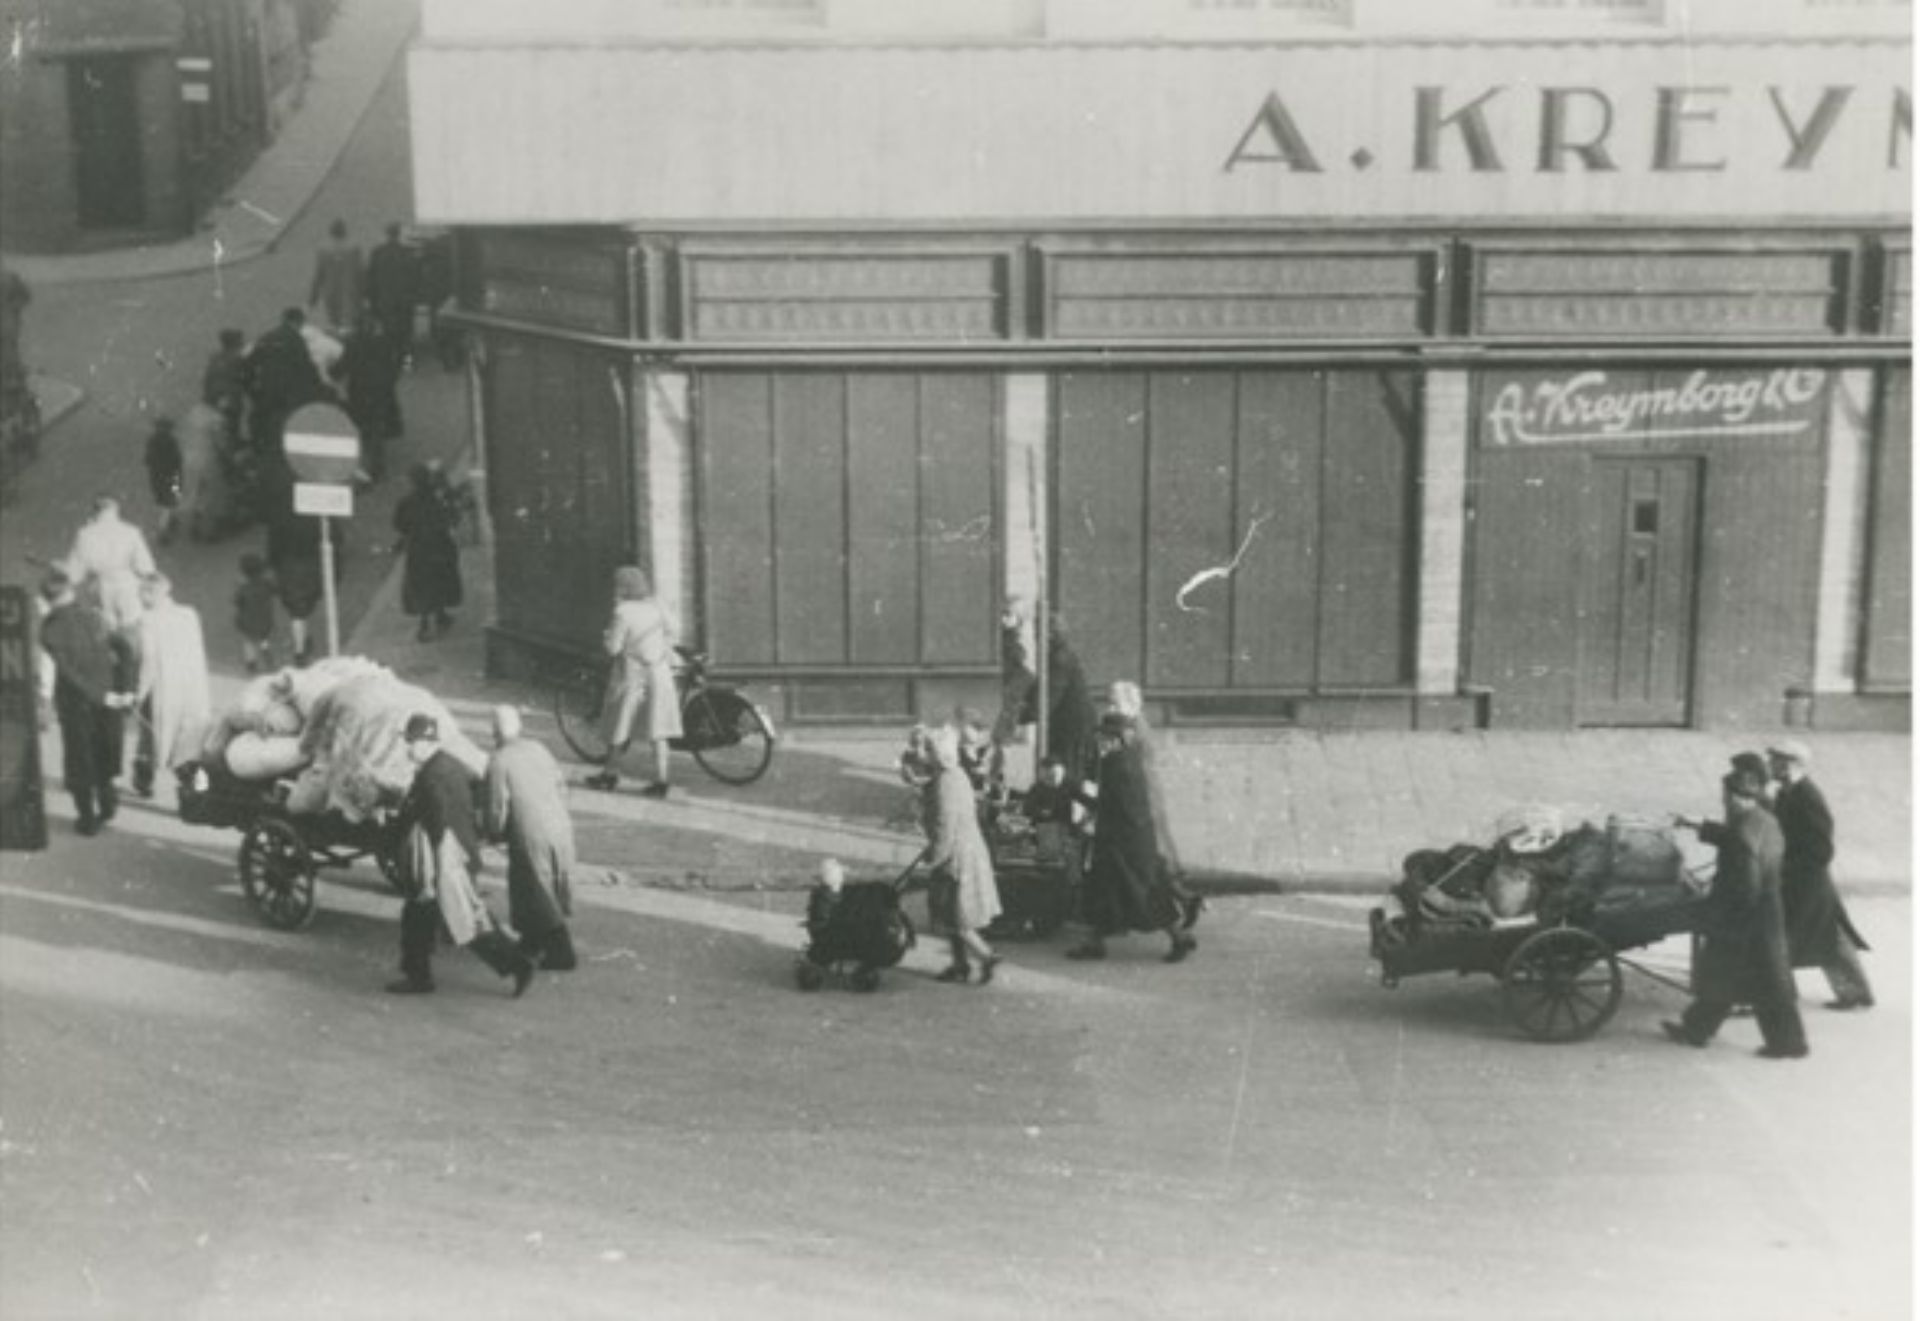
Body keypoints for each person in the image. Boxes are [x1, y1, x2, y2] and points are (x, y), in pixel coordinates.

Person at [1662, 768, 1808, 1059]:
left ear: (1733, 797)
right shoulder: (1764, 819)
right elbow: (1731, 838)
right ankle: (1697, 1030)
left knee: (1760, 981)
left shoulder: (1742, 832)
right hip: (1765, 914)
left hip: (1745, 919)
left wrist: (1718, 913)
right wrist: (1697, 825)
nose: (1723, 801)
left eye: (1724, 796)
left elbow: (1746, 880)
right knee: (1732, 975)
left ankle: (1788, 1044)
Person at [389, 714, 535, 997]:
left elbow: (439, 827)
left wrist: (434, 874)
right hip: (459, 855)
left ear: (427, 742)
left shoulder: (433, 777)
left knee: (461, 919)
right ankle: (418, 976)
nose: (408, 749)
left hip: (446, 860)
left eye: (412, 742)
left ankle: (518, 964)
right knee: (436, 917)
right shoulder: (447, 764)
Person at [1066, 712, 1197, 963]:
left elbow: (1110, 806)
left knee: (1138, 895)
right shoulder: (1128, 759)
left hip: (1121, 844)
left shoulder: (1117, 764)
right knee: (1110, 892)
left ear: (1116, 739)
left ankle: (1179, 937)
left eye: (1104, 737)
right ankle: (1095, 942)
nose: (1100, 741)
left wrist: (1075, 792)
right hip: (1134, 840)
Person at [1767, 739, 1874, 1011]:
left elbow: (1821, 850)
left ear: (1789, 764)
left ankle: (1854, 994)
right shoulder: (1788, 792)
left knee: (1823, 937)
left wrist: (1784, 868)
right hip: (1802, 880)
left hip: (1807, 882)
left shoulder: (1807, 797)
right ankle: (1856, 994)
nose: (1769, 764)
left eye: (1775, 760)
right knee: (1828, 937)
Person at [38, 572, 135, 836]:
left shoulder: (50, 628)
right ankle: (107, 801)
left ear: (47, 599)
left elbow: (69, 674)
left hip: (78, 704)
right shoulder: (95, 615)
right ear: (69, 592)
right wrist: (126, 689)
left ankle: (87, 817)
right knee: (106, 750)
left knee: (80, 760)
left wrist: (98, 695)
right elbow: (126, 649)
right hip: (110, 697)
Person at [483, 705, 579, 973]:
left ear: (494, 732)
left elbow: (496, 806)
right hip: (559, 825)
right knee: (542, 885)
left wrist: (494, 832)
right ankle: (531, 942)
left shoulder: (499, 760)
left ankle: (562, 952)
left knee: (535, 888)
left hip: (530, 832)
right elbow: (561, 785)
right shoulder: (538, 748)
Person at [1106, 680, 1203, 932]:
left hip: (1141, 801)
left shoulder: (1130, 730)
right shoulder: (1137, 724)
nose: (1110, 707)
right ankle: (1186, 899)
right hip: (1147, 797)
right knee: (1153, 862)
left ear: (1130, 704)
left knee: (1150, 862)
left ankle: (1182, 901)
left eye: (1115, 702)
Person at [586, 567, 682, 799]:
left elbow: (613, 648)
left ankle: (610, 775)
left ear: (623, 588)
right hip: (658, 672)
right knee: (659, 729)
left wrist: (607, 636)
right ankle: (661, 781)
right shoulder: (657, 605)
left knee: (620, 723)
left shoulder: (623, 611)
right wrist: (659, 648)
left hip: (632, 674)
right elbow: (674, 631)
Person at [921, 726, 1003, 985]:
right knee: (952, 914)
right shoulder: (955, 775)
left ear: (939, 755)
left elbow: (945, 825)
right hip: (966, 849)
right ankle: (960, 964)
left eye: (929, 751)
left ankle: (986, 956)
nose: (925, 755)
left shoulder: (946, 783)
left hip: (955, 856)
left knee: (959, 918)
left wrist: (934, 855)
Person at [129, 574, 211, 799]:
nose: (140, 597)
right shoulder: (188, 614)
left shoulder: (147, 620)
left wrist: (138, 692)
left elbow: (149, 661)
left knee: (149, 736)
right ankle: (194, 787)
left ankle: (144, 781)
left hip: (161, 690)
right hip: (190, 688)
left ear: (150, 594)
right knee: (186, 738)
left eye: (143, 592)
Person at [59, 496, 156, 632]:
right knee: (132, 630)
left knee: (104, 630)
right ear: (116, 511)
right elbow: (146, 568)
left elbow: (74, 574)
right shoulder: (131, 532)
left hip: (100, 589)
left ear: (95, 512)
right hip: (128, 587)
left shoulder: (85, 534)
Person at [243, 308, 328, 456]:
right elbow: (306, 368)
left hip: (266, 394)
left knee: (265, 430)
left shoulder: (266, 337)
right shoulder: (296, 340)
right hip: (288, 396)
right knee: (286, 429)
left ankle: (262, 458)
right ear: (299, 322)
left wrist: (253, 391)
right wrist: (321, 390)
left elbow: (248, 365)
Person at [393, 462, 463, 641]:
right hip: (441, 547)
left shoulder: (406, 502)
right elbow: (453, 517)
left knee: (421, 585)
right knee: (440, 580)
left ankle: (426, 624)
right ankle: (440, 617)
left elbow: (399, 524)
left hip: (418, 549)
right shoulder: (438, 498)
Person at [332, 316, 402, 484]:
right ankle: (377, 464)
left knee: (363, 425)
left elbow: (343, 366)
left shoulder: (353, 344)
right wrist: (390, 380)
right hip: (381, 391)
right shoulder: (383, 343)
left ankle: (367, 466)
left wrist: (331, 375)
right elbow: (395, 364)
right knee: (377, 425)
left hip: (360, 392)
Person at [1043, 613, 1099, 788]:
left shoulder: (1060, 658)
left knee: (1068, 776)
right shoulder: (1061, 655)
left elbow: (1049, 698)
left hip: (1072, 730)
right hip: (1071, 727)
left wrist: (1023, 714)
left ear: (1050, 634)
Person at [364, 222, 419, 366]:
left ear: (386, 234)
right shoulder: (407, 252)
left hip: (385, 300)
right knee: (406, 334)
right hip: (405, 300)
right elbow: (415, 277)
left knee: (388, 333)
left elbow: (370, 278)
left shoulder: (377, 252)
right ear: (398, 234)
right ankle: (407, 363)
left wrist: (371, 299)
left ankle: (390, 361)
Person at [991, 595, 1039, 753]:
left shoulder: (1016, 637)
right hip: (1014, 673)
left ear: (1019, 618)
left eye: (1008, 615)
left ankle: (1004, 736)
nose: (1002, 619)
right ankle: (1003, 735)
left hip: (1021, 674)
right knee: (1009, 701)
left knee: (1011, 700)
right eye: (1001, 614)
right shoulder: (1006, 635)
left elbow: (1021, 658)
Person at [308, 218, 364, 333]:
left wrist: (312, 299)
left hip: (331, 293)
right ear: (344, 231)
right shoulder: (353, 248)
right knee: (349, 327)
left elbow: (318, 276)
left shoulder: (323, 249)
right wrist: (365, 294)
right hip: (350, 294)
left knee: (333, 324)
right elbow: (361, 273)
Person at [202, 328, 249, 448]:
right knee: (231, 430)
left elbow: (208, 380)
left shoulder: (215, 359)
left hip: (214, 401)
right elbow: (246, 378)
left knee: (219, 433)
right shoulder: (237, 359)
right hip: (231, 400)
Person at [233, 552, 278, 672]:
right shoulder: (266, 584)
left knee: (248, 642)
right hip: (265, 620)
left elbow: (237, 601)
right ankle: (266, 654)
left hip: (247, 622)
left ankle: (251, 662)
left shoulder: (243, 588)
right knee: (264, 639)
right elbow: (274, 590)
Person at [143, 416, 184, 545]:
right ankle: (163, 530)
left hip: (156, 478)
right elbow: (177, 460)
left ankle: (171, 519)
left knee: (164, 502)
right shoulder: (171, 441)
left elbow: (147, 460)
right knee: (172, 499)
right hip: (172, 477)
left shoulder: (151, 441)